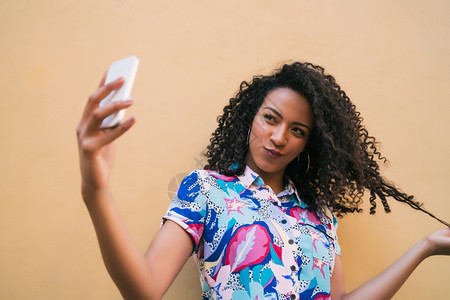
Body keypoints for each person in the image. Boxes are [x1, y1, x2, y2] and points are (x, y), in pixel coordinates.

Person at [77, 61, 450, 299]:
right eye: (271, 118)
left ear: (308, 144)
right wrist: (96, 190)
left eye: (297, 130)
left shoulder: (319, 215)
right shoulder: (206, 190)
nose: (279, 137)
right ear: (250, 119)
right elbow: (144, 290)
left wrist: (425, 247)